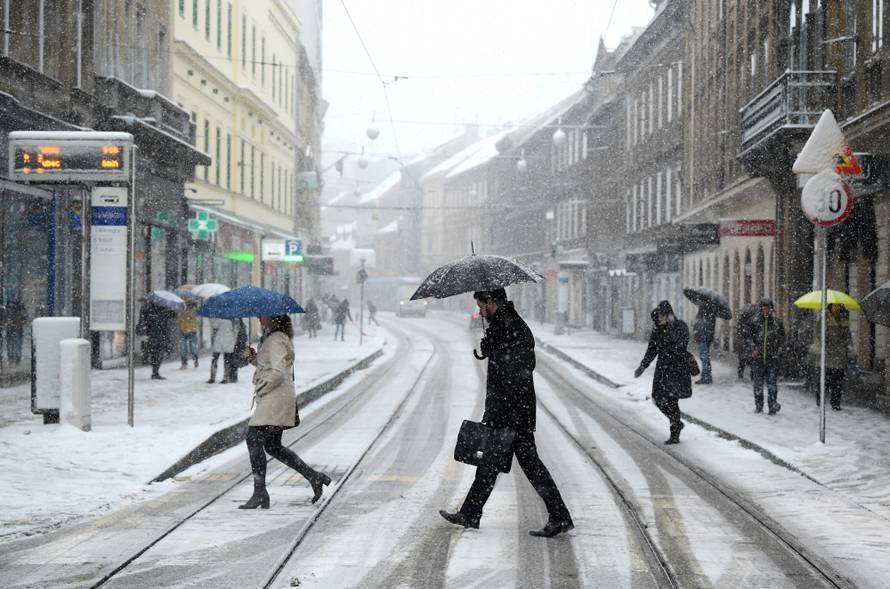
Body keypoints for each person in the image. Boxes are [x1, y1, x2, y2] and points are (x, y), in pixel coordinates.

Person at [439, 289, 573, 538]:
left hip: (514, 412)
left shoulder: (513, 326)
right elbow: (505, 364)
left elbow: (521, 368)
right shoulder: (502, 325)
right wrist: (491, 346)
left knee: (529, 467)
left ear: (492, 302)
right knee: (491, 463)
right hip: (506, 410)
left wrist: (496, 348)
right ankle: (471, 513)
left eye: (482, 306)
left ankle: (559, 517)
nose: (480, 311)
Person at [239, 314, 331, 509]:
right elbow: (271, 366)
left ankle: (260, 492)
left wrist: (262, 386)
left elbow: (278, 372)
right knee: (272, 445)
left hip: (275, 397)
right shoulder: (275, 338)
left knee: (253, 439)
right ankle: (314, 477)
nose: (258, 317)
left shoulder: (276, 339)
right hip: (278, 396)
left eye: (262, 315)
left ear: (273, 318)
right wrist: (254, 359)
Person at [634, 300, 692, 444]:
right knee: (658, 398)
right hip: (662, 369)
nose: (659, 318)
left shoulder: (680, 327)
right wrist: (643, 366)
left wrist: (668, 350)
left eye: (662, 316)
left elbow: (681, 346)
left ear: (669, 315)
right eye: (658, 316)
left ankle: (674, 431)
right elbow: (652, 349)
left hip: (677, 369)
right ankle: (676, 422)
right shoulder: (657, 329)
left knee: (672, 400)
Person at [746, 297, 785, 415]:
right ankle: (759, 406)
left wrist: (779, 350)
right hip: (758, 359)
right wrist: (753, 349)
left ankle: (772, 405)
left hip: (772, 358)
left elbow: (782, 339)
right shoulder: (754, 322)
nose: (766, 311)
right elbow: (749, 338)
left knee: (772, 384)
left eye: (768, 308)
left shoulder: (777, 323)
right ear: (760, 309)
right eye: (764, 308)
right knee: (758, 384)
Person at [816, 304, 856, 411]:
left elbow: (848, 336)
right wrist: (826, 338)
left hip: (840, 355)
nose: (836, 308)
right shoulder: (825, 318)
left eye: (837, 306)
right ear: (830, 307)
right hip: (828, 355)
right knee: (825, 380)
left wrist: (849, 346)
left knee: (838, 382)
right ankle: (820, 399)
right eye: (834, 306)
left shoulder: (844, 319)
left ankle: (835, 403)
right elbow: (818, 333)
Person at [138, 301, 175, 380]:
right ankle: (155, 371)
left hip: (155, 334)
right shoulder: (162, 308)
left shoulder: (149, 308)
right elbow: (172, 315)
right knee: (158, 353)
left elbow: (172, 315)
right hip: (158, 334)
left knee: (155, 353)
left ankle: (155, 371)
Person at [692, 305, 716, 384]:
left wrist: (697, 334)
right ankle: (707, 376)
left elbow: (699, 327)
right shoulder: (710, 314)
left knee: (704, 357)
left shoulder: (705, 315)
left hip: (703, 338)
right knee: (705, 357)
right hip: (705, 338)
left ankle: (706, 377)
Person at [207, 317, 236, 384]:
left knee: (215, 359)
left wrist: (211, 318)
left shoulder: (219, 317)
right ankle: (226, 378)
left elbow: (214, 325)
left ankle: (212, 377)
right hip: (229, 341)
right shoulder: (232, 319)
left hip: (219, 340)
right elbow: (235, 330)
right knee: (227, 360)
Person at [734, 304, 758, 380]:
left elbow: (738, 331)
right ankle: (752, 374)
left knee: (742, 360)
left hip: (744, 342)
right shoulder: (754, 320)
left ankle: (741, 374)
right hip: (748, 342)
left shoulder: (743, 320)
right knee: (751, 359)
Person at [3, 296, 26, 365]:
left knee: (12, 344)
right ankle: (15, 359)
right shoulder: (20, 307)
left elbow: (5, 317)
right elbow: (24, 318)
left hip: (12, 328)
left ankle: (12, 359)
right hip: (16, 328)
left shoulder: (9, 306)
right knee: (15, 344)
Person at [177, 300, 199, 370]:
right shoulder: (182, 312)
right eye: (188, 305)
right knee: (183, 348)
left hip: (192, 332)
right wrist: (181, 327)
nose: (189, 307)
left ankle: (195, 359)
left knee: (192, 348)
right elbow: (179, 321)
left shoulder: (195, 312)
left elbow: (197, 321)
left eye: (190, 305)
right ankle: (184, 363)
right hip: (183, 332)